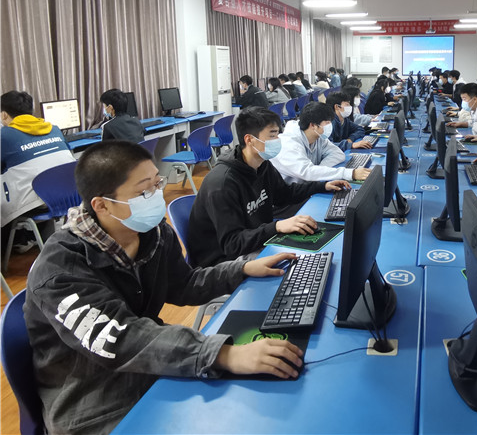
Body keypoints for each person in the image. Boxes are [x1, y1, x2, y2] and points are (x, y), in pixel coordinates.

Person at [23, 140, 305, 434]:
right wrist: (222, 354)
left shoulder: (152, 234)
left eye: (157, 184)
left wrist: (241, 269)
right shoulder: (59, 270)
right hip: (94, 400)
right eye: (144, 192)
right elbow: (120, 339)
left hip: (152, 366)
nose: (156, 196)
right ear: (101, 205)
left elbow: (184, 284)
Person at [187, 107, 351, 268]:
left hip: (253, 241)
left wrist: (323, 186)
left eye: (278, 134)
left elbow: (285, 194)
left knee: (317, 251)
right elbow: (233, 244)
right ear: (249, 140)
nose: (278, 141)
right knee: (302, 263)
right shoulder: (222, 184)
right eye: (272, 136)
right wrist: (277, 227)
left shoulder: (262, 164)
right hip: (223, 262)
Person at [1, 90, 75, 229]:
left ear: (4, 114)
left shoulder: (4, 135)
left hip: (37, 203)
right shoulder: (54, 129)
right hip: (70, 196)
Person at [271, 102, 371, 184]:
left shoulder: (318, 136)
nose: (330, 126)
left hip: (309, 187)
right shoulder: (288, 143)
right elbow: (306, 172)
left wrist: (318, 170)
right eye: (327, 123)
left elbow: (338, 154)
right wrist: (350, 173)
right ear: (313, 125)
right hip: (291, 196)